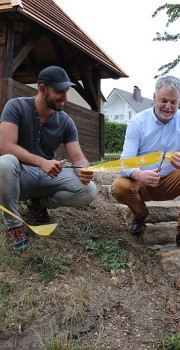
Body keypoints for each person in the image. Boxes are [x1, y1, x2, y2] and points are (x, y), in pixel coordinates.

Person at [0, 65, 97, 254]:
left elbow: (78, 158)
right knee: (4, 162)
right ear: (42, 88)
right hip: (18, 176)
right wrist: (41, 162)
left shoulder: (66, 121)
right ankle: (14, 226)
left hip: (46, 177)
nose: (64, 97)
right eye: (59, 91)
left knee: (88, 191)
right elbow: (4, 146)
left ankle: (38, 204)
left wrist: (84, 169)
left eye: (66, 91)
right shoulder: (16, 106)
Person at [111, 75, 180, 252]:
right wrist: (139, 174)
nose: (168, 107)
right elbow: (124, 162)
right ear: (154, 98)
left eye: (173, 102)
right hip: (141, 183)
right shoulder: (137, 122)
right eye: (164, 101)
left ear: (179, 102)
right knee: (119, 186)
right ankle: (140, 214)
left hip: (171, 180)